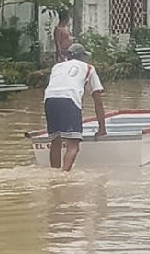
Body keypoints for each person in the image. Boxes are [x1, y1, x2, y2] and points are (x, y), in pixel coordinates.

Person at [43, 43, 106, 171]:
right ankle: (64, 177)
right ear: (82, 57)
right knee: (73, 145)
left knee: (55, 141)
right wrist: (102, 128)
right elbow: (98, 101)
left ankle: (54, 174)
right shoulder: (89, 68)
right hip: (69, 99)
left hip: (49, 100)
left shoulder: (57, 67)